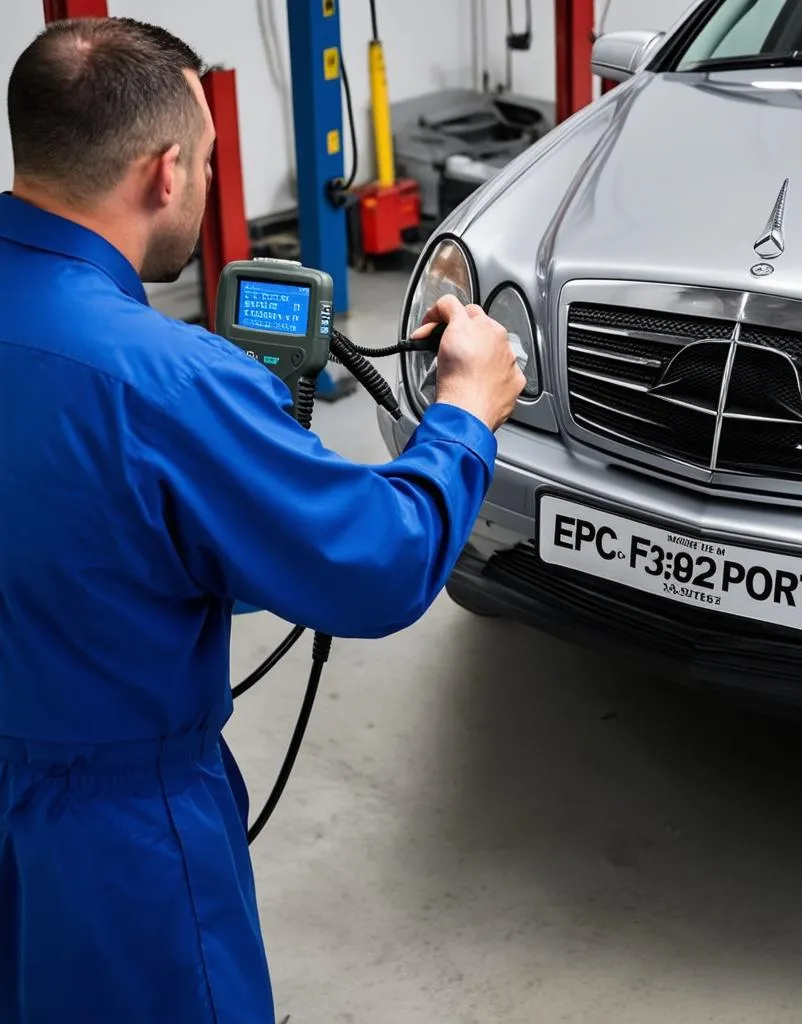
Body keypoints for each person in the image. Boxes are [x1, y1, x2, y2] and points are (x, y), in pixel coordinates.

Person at [0, 17, 524, 1024]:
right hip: (121, 841)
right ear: (162, 173)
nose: (201, 181)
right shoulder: (165, 384)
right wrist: (463, 416)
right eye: (202, 161)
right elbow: (377, 563)